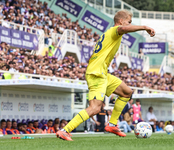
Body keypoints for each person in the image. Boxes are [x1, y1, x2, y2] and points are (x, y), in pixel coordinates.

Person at [56, 9, 155, 141]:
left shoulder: (111, 34)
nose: (129, 24)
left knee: (127, 92)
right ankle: (65, 130)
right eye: (129, 22)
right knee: (95, 108)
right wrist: (144, 27)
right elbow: (124, 29)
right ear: (121, 21)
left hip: (102, 73)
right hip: (96, 74)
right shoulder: (114, 31)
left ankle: (112, 124)